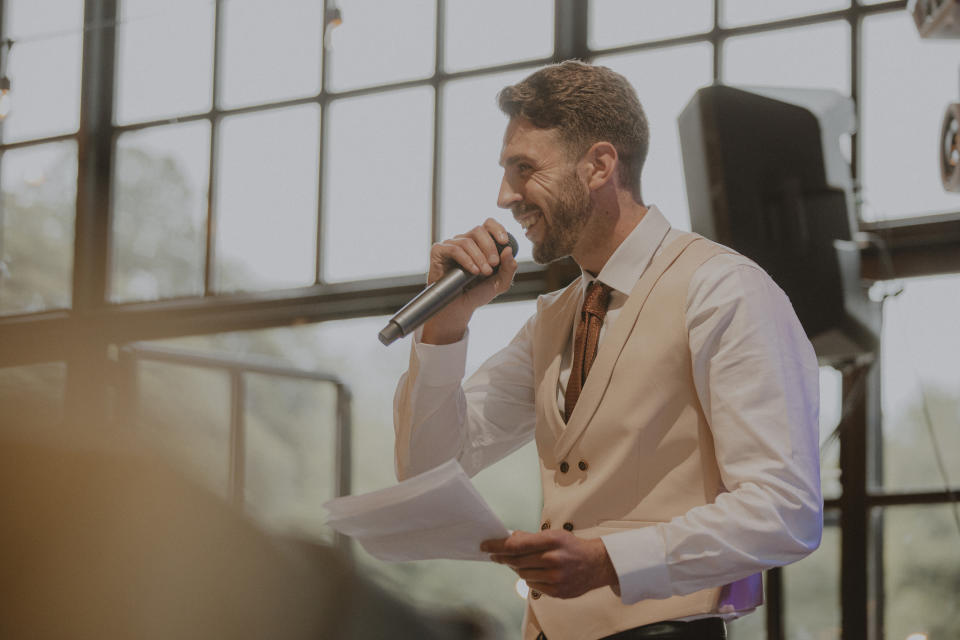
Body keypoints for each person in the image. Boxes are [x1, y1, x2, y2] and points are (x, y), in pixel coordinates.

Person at [393, 61, 822, 640]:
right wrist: (444, 327)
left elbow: (785, 512)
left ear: (598, 165)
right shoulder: (554, 319)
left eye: (524, 169)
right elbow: (426, 469)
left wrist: (609, 561)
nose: (505, 196)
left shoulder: (723, 289)